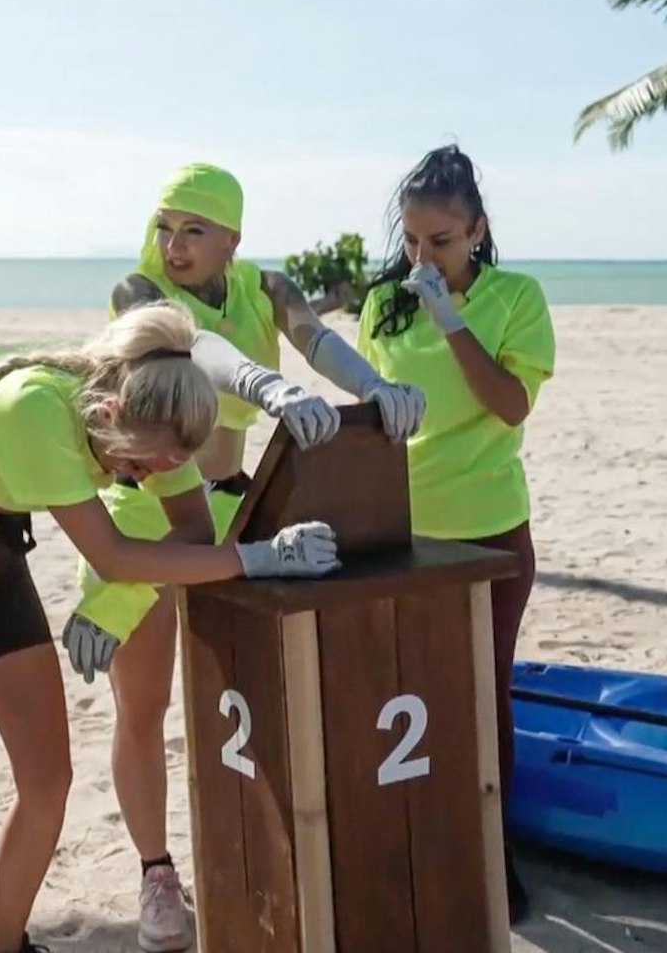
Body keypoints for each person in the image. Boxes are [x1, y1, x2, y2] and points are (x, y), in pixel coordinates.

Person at [0, 300, 340, 953]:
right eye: (139, 467)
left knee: (48, 778)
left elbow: (193, 532)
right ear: (111, 414)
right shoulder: (35, 410)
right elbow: (113, 554)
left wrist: (221, 558)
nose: (144, 478)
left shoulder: (157, 417)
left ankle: (2, 947)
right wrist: (258, 558)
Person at [57, 162, 427, 951]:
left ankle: (262, 850)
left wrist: (374, 388)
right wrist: (267, 388)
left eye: (194, 229)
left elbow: (315, 338)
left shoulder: (269, 285)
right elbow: (203, 349)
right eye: (165, 225)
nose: (174, 244)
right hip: (146, 505)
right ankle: (158, 872)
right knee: (144, 704)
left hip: (233, 507)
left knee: (248, 697)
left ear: (233, 237)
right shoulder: (137, 293)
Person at [353, 144, 554, 924]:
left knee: (481, 693)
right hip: (400, 533)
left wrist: (452, 320)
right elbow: (375, 411)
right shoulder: (383, 304)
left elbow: (509, 404)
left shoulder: (517, 299)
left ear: (476, 230)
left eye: (439, 240)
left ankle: (490, 848)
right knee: (403, 694)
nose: (421, 256)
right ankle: (414, 835)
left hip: (490, 532)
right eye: (410, 240)